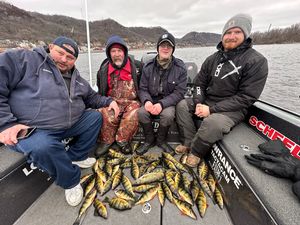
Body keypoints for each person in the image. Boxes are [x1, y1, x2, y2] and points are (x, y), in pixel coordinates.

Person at [0, 36, 119, 206]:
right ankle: (70, 181)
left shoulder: (77, 78)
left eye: (70, 57)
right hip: (33, 130)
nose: (64, 59)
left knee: (95, 117)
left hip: (68, 125)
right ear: (50, 47)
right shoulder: (26, 59)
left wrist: (109, 102)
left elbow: (92, 98)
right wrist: (5, 124)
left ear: (75, 60)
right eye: (60, 53)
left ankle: (75, 156)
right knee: (42, 146)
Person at [175, 13, 268, 167]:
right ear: (223, 35)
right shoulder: (212, 59)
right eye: (228, 32)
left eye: (237, 32)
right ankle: (188, 142)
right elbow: (199, 84)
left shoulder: (257, 61)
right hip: (207, 101)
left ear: (246, 35)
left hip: (232, 109)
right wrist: (199, 103)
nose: (231, 36)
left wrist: (211, 110)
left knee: (213, 123)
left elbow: (247, 97)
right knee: (182, 105)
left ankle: (196, 152)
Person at [136, 32, 187, 155]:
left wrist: (161, 104)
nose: (165, 48)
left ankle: (161, 140)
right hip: (151, 99)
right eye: (162, 45)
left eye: (168, 46)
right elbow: (142, 88)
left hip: (168, 101)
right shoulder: (148, 67)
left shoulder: (180, 67)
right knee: (141, 112)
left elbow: (179, 92)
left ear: (173, 49)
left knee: (168, 115)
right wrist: (147, 101)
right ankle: (149, 140)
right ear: (158, 48)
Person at [95, 35, 141, 156]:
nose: (116, 54)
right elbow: (101, 91)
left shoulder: (137, 66)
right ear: (109, 54)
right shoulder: (103, 70)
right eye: (113, 51)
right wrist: (107, 102)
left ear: (124, 52)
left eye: (119, 50)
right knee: (105, 113)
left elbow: (143, 87)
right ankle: (106, 141)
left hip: (132, 101)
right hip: (112, 100)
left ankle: (123, 141)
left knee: (134, 114)